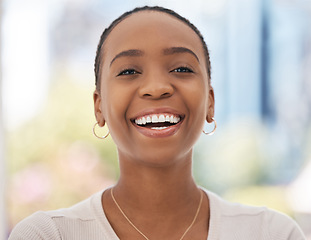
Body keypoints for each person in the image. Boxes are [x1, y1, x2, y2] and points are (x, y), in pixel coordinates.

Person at [9, 6, 306, 240]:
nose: (156, 87)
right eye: (128, 71)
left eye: (180, 68)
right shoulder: (48, 235)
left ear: (210, 102)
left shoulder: (271, 233)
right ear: (99, 107)